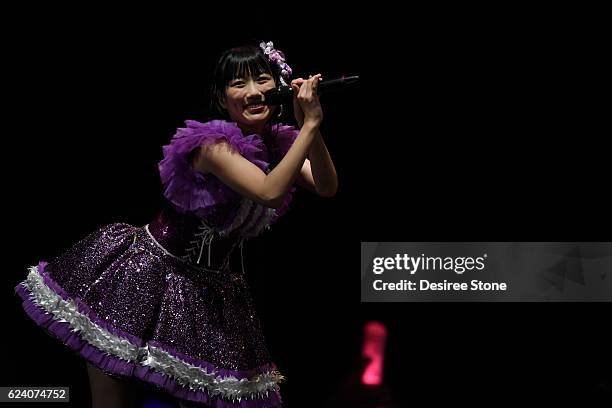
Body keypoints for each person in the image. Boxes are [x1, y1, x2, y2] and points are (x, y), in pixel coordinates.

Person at [15, 40, 338, 408]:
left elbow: (327, 187)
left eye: (262, 79)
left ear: (279, 85)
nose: (252, 92)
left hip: (209, 293)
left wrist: (307, 124)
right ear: (221, 98)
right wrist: (310, 125)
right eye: (238, 84)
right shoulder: (214, 146)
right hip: (143, 279)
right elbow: (269, 191)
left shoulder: (281, 146)